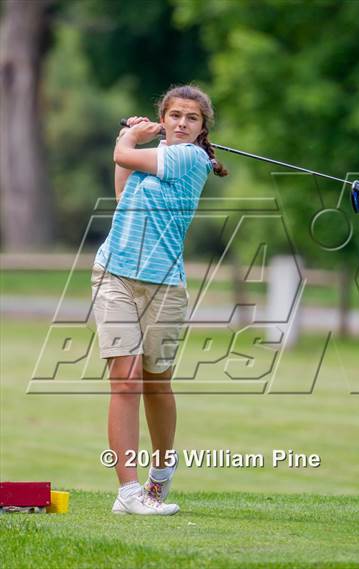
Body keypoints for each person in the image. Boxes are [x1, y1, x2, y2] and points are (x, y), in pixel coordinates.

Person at [91, 85, 228, 516]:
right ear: (163, 118)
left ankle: (161, 473)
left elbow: (123, 157)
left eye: (192, 118)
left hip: (164, 285)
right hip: (114, 274)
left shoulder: (192, 158)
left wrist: (129, 137)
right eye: (174, 116)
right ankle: (128, 491)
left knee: (156, 383)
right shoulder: (160, 157)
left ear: (203, 128)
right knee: (126, 379)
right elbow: (123, 191)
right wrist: (132, 142)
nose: (182, 123)